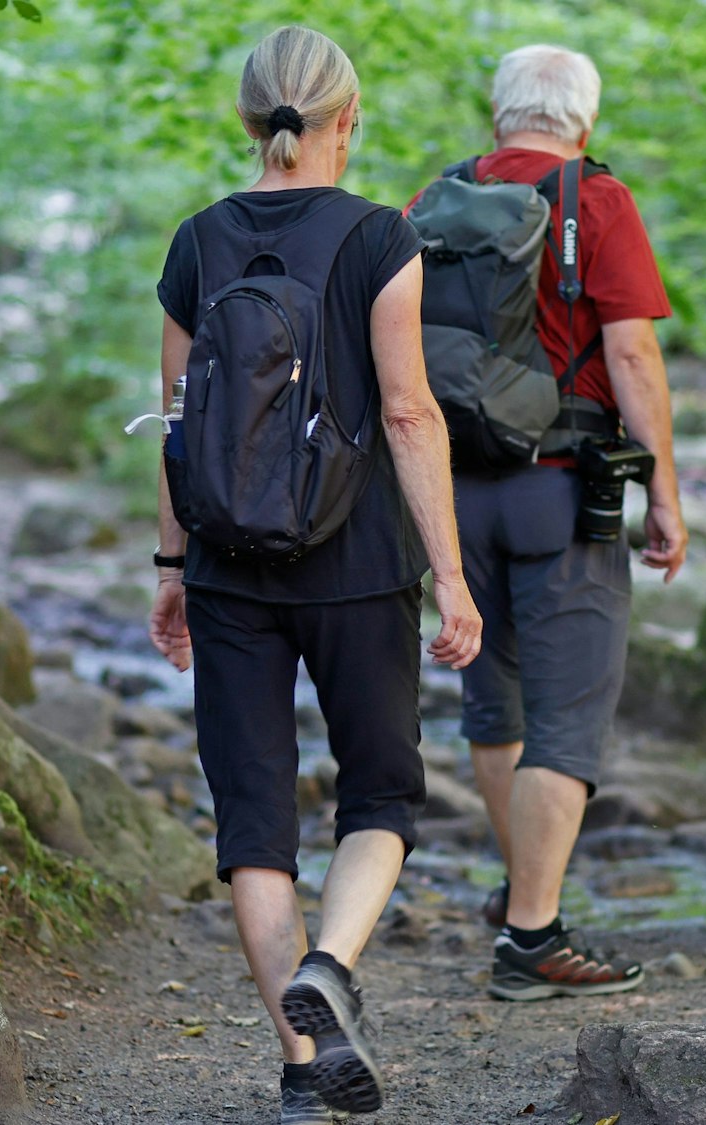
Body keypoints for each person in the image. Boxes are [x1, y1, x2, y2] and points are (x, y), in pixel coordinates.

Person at [146, 26, 482, 1123]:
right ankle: (329, 967)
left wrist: (169, 566)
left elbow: (180, 428)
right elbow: (405, 412)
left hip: (229, 570)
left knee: (254, 820)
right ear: (349, 121)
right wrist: (451, 575)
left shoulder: (196, 244)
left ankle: (300, 1072)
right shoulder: (381, 238)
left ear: (251, 120)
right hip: (360, 564)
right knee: (380, 792)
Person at [428, 44, 686, 1001]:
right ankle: (533, 937)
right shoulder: (597, 200)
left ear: (501, 114)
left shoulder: (439, 197)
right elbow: (633, 356)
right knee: (569, 718)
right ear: (583, 118)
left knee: (495, 708)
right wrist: (664, 490)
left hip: (452, 492)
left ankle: (522, 895)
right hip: (560, 488)